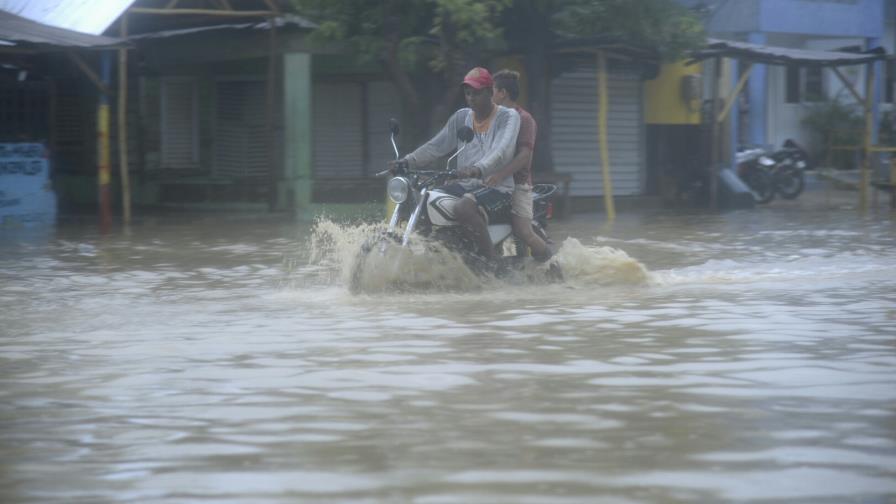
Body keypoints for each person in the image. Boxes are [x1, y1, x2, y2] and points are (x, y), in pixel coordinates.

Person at [390, 67, 520, 261]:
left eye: (476, 93)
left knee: (463, 208)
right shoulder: (462, 117)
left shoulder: (508, 117)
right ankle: (437, 254)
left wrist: (478, 169)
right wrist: (407, 161)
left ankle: (492, 261)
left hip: (497, 187)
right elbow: (437, 146)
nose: (471, 98)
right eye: (468, 93)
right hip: (466, 186)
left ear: (489, 92)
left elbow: (501, 152)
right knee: (424, 199)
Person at [486, 69, 552, 262]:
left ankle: (551, 263)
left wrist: (499, 175)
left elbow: (525, 157)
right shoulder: (492, 118)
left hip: (518, 186)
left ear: (502, 93)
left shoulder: (524, 119)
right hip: (491, 185)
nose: (489, 95)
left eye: (492, 91)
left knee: (523, 231)